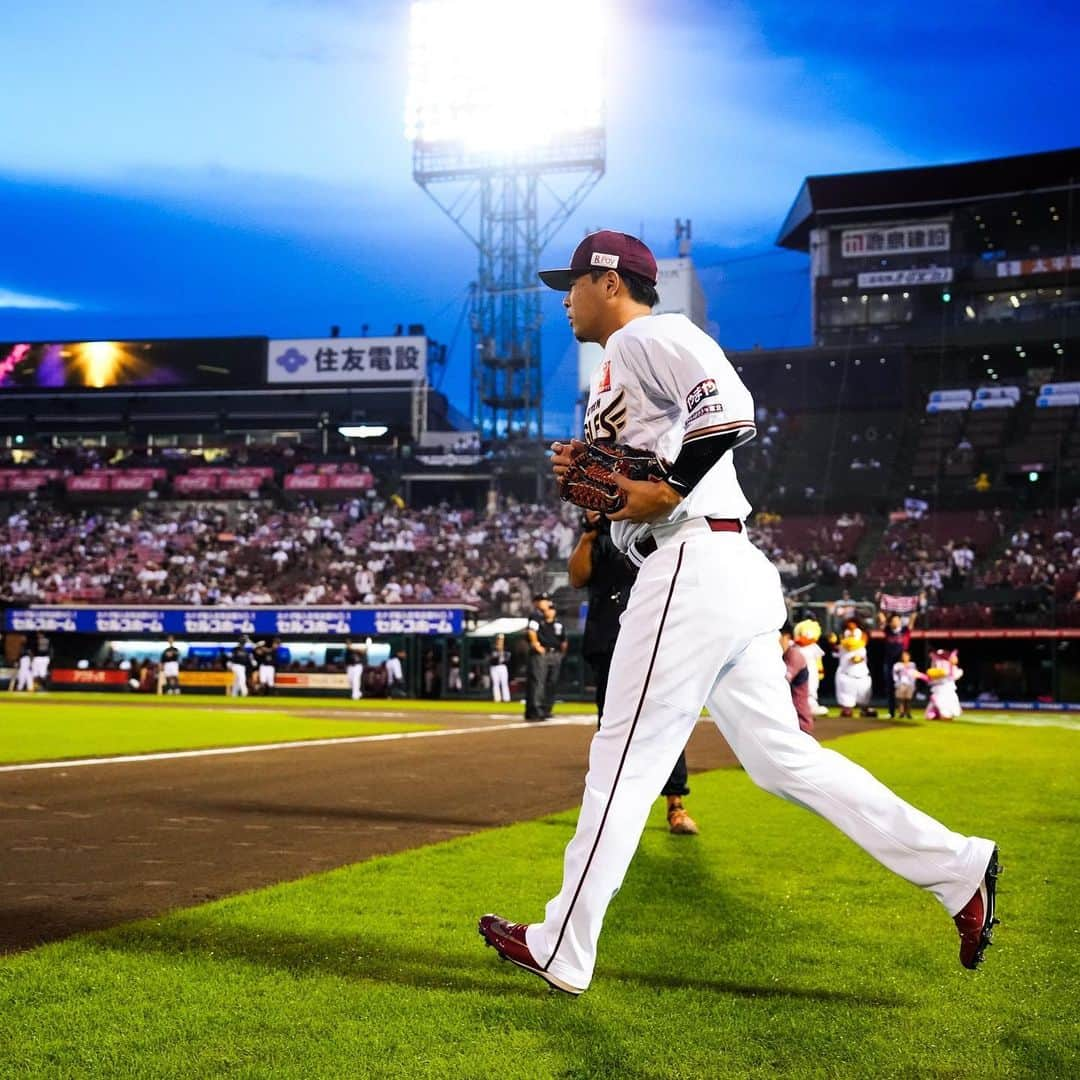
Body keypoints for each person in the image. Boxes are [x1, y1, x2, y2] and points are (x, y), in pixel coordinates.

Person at [478, 230, 998, 995]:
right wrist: (615, 491)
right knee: (781, 761)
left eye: (574, 283)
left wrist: (667, 487)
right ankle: (958, 868)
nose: (564, 298)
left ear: (610, 282)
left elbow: (729, 408)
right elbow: (648, 473)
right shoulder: (624, 364)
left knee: (623, 758)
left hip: (691, 562)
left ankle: (563, 943)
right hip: (715, 564)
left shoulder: (652, 332)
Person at [570, 508, 698, 834]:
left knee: (665, 716)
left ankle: (675, 804)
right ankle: (616, 810)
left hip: (650, 633)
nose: (592, 509)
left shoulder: (643, 530)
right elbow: (576, 577)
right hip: (607, 640)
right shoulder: (594, 539)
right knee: (611, 727)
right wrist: (588, 533)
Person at [524, 594, 566, 721]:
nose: (545, 603)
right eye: (542, 600)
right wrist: (536, 644)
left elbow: (563, 640)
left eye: (546, 601)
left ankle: (545, 709)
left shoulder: (556, 622)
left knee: (550, 682)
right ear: (536, 602)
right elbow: (531, 631)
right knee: (538, 682)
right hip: (541, 653)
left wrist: (561, 654)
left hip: (554, 653)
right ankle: (535, 710)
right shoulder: (536, 616)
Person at [831, 618, 877, 719]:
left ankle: (864, 709)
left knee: (864, 697)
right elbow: (835, 652)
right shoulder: (842, 646)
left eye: (854, 630)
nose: (851, 633)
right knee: (846, 703)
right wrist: (833, 643)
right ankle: (847, 710)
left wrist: (857, 659)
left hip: (861, 676)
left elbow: (859, 658)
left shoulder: (862, 648)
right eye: (849, 630)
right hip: (846, 675)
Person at [878, 610, 916, 718]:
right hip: (889, 663)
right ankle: (891, 712)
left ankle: (906, 712)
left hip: (903, 665)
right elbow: (882, 619)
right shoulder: (888, 631)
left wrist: (914, 610)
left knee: (907, 688)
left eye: (897, 620)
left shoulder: (905, 631)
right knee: (890, 688)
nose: (896, 622)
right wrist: (882, 611)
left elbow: (912, 620)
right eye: (893, 620)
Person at [779, 622, 815, 735]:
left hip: (800, 723)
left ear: (787, 637)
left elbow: (782, 681)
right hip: (787, 721)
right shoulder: (781, 655)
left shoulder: (794, 655)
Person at [793, 618, 828, 717]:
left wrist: (820, 670)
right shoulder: (795, 646)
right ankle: (798, 709)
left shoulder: (814, 647)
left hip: (811, 670)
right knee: (797, 690)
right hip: (797, 671)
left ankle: (812, 707)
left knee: (811, 689)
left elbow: (818, 659)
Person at [924, 648, 964, 720]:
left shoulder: (951, 666)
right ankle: (940, 714)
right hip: (941, 689)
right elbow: (933, 677)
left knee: (949, 701)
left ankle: (941, 714)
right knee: (941, 702)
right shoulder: (941, 664)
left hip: (947, 688)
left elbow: (953, 675)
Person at [892, 649, 920, 719]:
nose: (905, 657)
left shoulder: (912, 665)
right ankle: (901, 713)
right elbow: (894, 674)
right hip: (901, 684)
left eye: (906, 656)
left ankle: (908, 713)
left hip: (910, 684)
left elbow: (915, 674)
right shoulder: (898, 665)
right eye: (904, 656)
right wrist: (896, 682)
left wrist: (914, 684)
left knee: (908, 699)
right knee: (901, 699)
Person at [488, 634, 511, 703]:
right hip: (494, 667)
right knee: (495, 683)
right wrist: (498, 651)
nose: (500, 641)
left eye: (501, 639)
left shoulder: (506, 648)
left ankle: (506, 699)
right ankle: (497, 699)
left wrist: (501, 651)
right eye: (499, 639)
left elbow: (508, 659)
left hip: (502, 667)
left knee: (504, 683)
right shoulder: (493, 648)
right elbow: (491, 658)